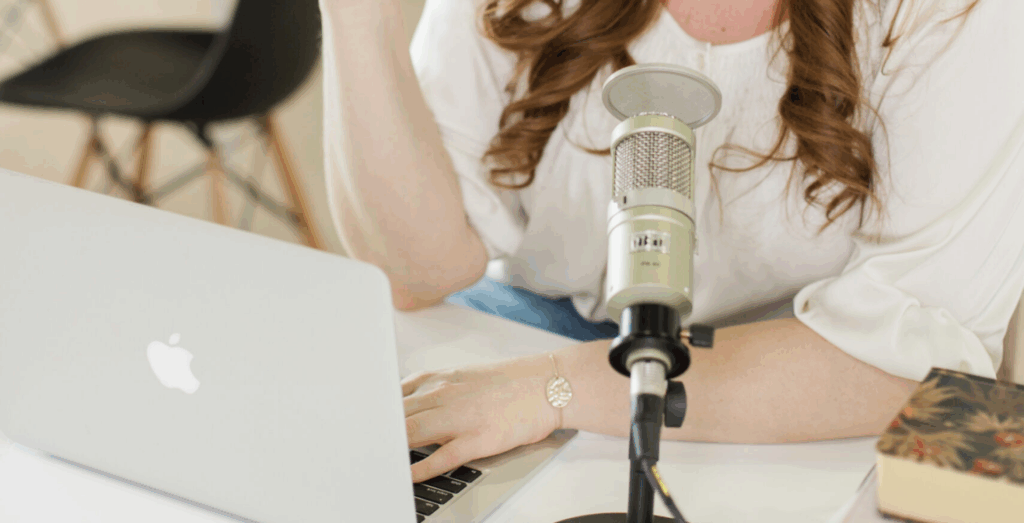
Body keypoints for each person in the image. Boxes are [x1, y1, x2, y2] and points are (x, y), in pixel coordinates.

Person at [319, 0, 1024, 483]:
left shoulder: (957, 17)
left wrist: (555, 387)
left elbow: (911, 367)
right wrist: (356, 21)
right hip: (521, 347)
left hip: (795, 411)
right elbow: (420, 270)